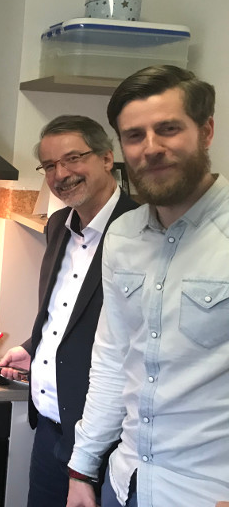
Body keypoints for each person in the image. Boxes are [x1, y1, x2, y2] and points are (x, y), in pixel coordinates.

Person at [66, 65, 229, 507]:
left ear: (206, 130)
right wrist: (83, 466)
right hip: (127, 484)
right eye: (134, 136)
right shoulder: (122, 237)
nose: (150, 148)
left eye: (169, 129)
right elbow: (114, 359)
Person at [0, 115, 137, 506]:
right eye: (50, 166)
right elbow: (66, 313)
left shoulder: (142, 232)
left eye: (73, 159)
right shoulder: (58, 224)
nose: (61, 174)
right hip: (50, 432)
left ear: (108, 158)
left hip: (106, 443)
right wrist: (34, 348)